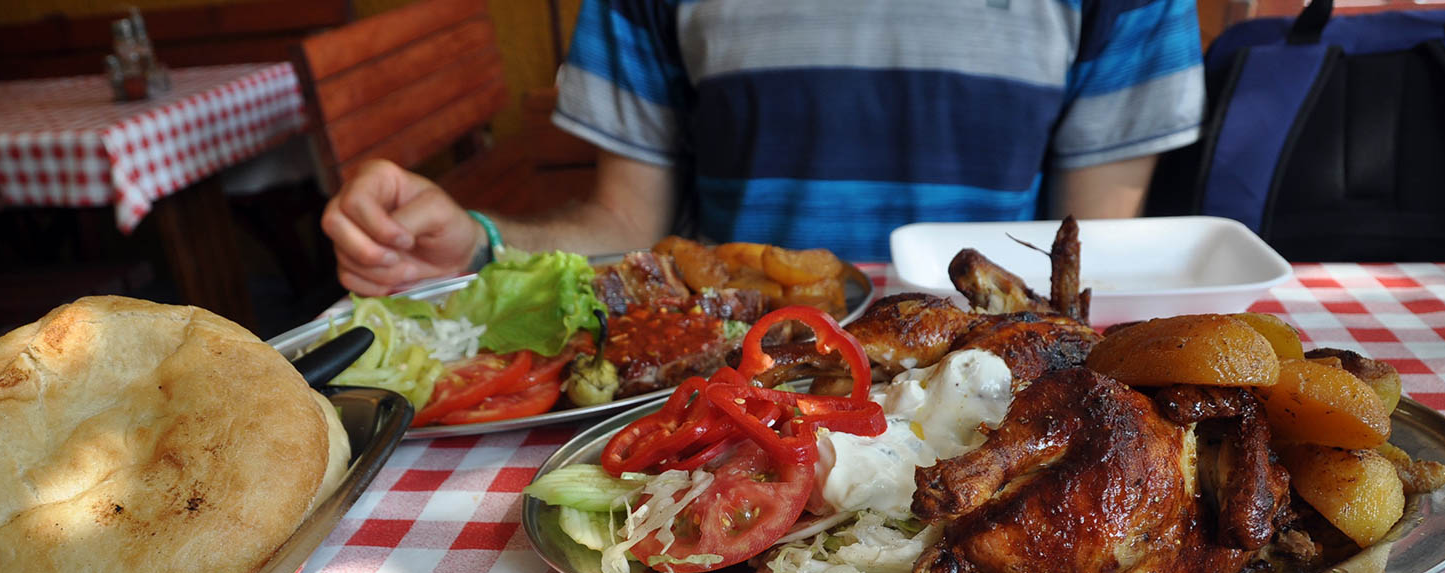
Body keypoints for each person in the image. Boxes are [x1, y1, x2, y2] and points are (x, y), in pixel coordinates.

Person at [322, 0, 1204, 296]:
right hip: (732, 384)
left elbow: (1087, 261)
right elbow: (622, 223)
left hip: (995, 380)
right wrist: (477, 242)